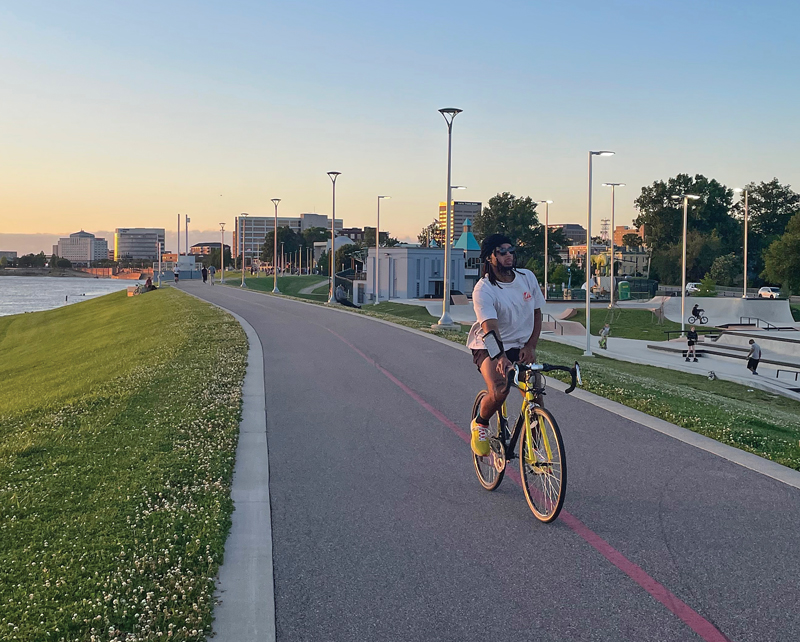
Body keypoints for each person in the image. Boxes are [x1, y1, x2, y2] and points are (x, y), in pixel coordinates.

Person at [466, 234, 545, 456]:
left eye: (511, 250)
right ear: (490, 257)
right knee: (500, 390)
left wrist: (531, 346)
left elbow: (537, 314)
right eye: (502, 252)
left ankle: (534, 450)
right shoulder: (484, 289)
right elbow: (490, 328)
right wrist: (500, 356)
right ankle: (480, 423)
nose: (509, 255)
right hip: (490, 345)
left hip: (520, 345)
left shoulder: (527, 277)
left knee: (535, 395)